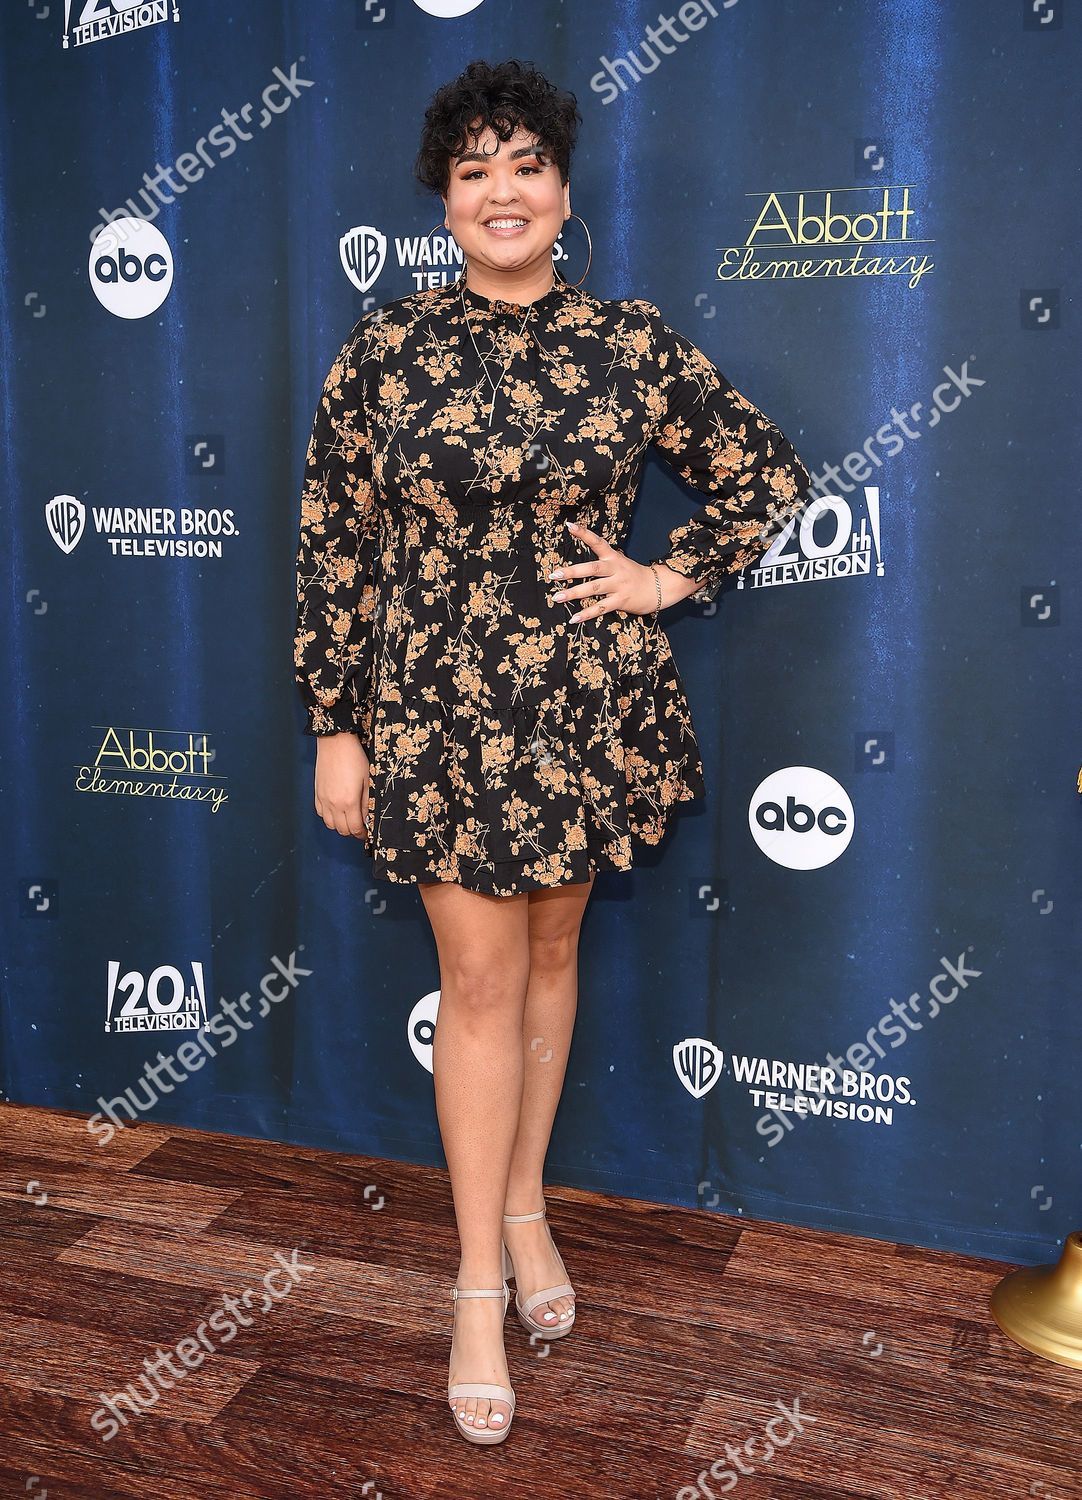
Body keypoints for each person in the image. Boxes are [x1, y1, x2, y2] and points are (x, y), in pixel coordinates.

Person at [293, 58, 810, 1445]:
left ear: (565, 194)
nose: (502, 192)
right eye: (474, 172)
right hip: (437, 711)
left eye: (526, 166)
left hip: (586, 704)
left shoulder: (627, 342)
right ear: (444, 204)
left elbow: (765, 474)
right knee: (477, 980)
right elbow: (335, 546)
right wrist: (336, 724)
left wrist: (663, 576)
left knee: (555, 954)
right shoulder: (384, 350)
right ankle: (476, 1281)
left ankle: (525, 1210)